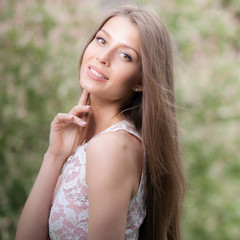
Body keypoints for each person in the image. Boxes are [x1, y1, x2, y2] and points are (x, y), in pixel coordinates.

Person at [16, 5, 186, 240]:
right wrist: (54, 156)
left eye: (125, 55)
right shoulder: (91, 140)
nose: (102, 57)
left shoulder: (111, 147)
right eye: (101, 40)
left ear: (142, 81)